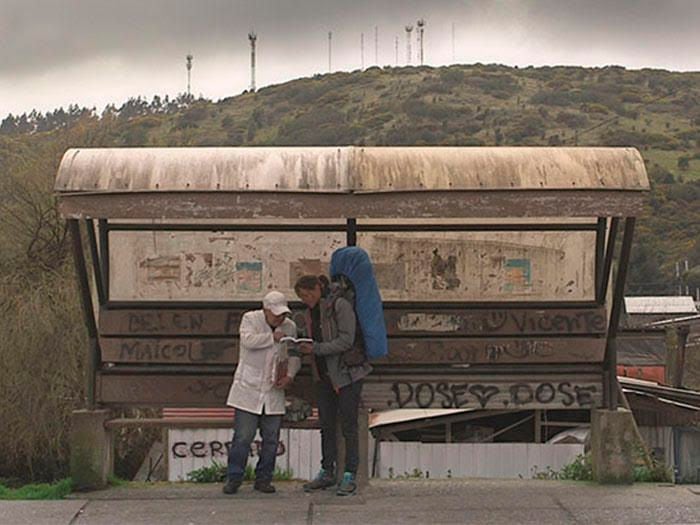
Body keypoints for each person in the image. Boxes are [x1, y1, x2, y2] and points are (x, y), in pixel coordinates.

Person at [294, 274, 371, 496]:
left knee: (349, 425)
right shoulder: (310, 312)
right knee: (326, 425)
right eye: (302, 297)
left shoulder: (340, 305)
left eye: (309, 294)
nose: (306, 299)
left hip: (347, 375)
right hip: (323, 376)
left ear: (319, 288)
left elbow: (346, 340)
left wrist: (316, 349)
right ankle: (327, 470)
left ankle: (350, 473)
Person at [222, 290, 301, 495]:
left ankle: (264, 478)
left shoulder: (290, 327)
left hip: (274, 390)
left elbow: (293, 354)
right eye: (276, 314)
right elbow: (248, 341)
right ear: (265, 310)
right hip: (248, 389)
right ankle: (234, 477)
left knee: (272, 438)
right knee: (243, 437)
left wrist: (290, 375)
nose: (280, 318)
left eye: (282, 314)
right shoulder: (250, 319)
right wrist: (271, 338)